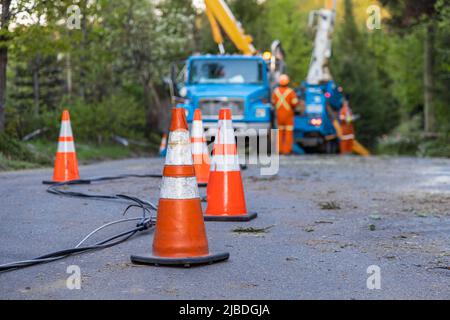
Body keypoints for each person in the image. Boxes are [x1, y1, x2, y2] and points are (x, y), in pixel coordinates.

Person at [271, 74, 299, 155]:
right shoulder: (290, 92)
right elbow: (294, 103)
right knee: (288, 133)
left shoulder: (275, 91)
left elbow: (273, 102)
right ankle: (287, 150)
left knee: (279, 132)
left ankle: (279, 150)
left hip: (279, 115)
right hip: (288, 115)